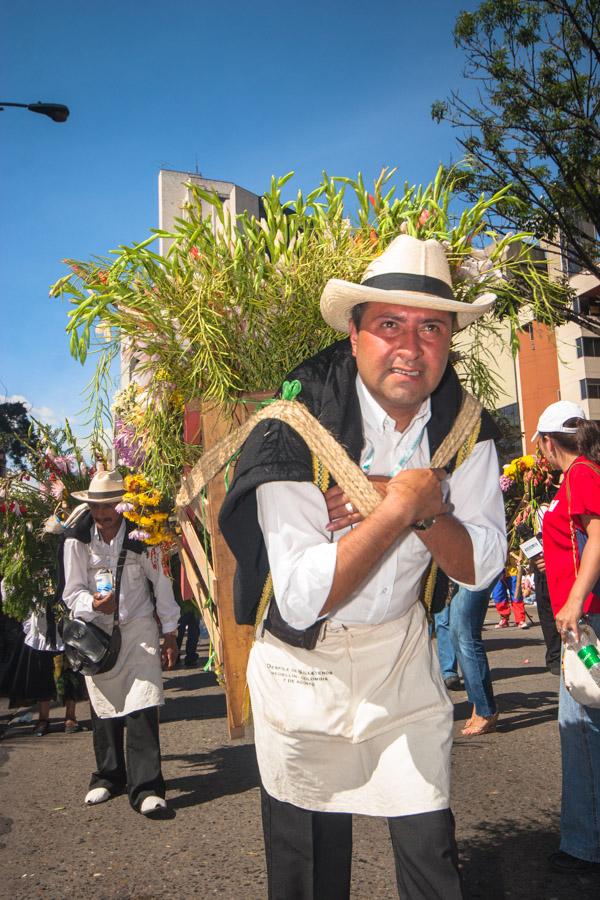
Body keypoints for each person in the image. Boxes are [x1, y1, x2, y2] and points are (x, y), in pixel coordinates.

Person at [220, 235, 507, 898]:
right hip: (302, 668)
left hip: (399, 662)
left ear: (451, 339)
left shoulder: (465, 426)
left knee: (429, 843)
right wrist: (402, 505)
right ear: (353, 334)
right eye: (388, 324)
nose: (410, 346)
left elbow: (480, 563)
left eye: (431, 327)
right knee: (308, 863)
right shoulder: (293, 421)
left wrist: (426, 511)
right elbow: (299, 595)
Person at [62, 470, 180, 818]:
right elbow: (71, 592)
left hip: (139, 629)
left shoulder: (145, 534)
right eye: (96, 508)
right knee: (103, 706)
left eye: (109, 507)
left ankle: (147, 788)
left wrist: (169, 632)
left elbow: (162, 583)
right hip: (97, 634)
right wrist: (93, 605)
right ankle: (109, 776)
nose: (102, 516)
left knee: (143, 702)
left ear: (123, 506)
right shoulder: (76, 539)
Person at [534, 399, 600, 873]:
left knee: (579, 730)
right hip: (578, 619)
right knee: (582, 727)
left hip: (585, 623)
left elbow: (598, 535)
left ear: (545, 441)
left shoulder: (580, 473)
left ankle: (583, 844)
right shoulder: (576, 476)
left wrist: (574, 599)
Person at [0, 597, 86, 735]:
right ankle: (43, 718)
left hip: (66, 617)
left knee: (70, 671)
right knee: (42, 672)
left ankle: (70, 716)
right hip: (41, 621)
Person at [448, 583, 499, 735]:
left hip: (478, 568)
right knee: (456, 634)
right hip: (463, 572)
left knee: (467, 635)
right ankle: (479, 705)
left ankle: (486, 710)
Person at [491, 564, 529, 629]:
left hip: (513, 568)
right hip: (496, 568)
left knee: (516, 595)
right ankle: (504, 619)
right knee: (498, 595)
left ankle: (520, 620)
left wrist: (522, 563)